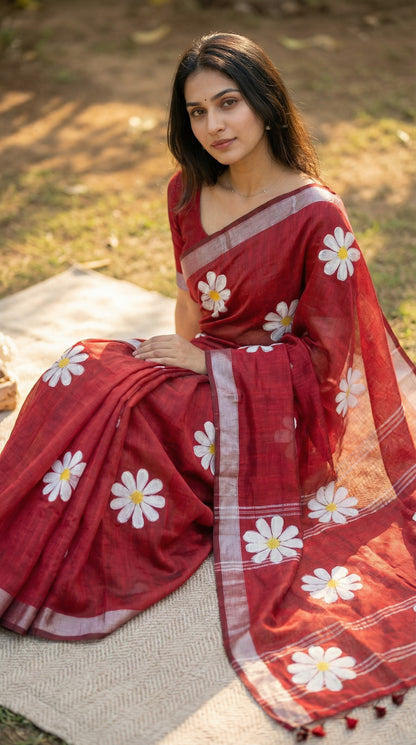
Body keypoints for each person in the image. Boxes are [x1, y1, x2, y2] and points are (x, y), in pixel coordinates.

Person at [0, 31, 415, 733]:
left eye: (229, 103)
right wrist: (173, 360)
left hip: (270, 413)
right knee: (81, 373)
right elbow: (192, 306)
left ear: (265, 103)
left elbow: (327, 366)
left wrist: (209, 370)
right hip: (204, 372)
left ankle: (54, 571)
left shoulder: (318, 216)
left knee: (132, 433)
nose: (215, 125)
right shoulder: (186, 191)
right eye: (197, 112)